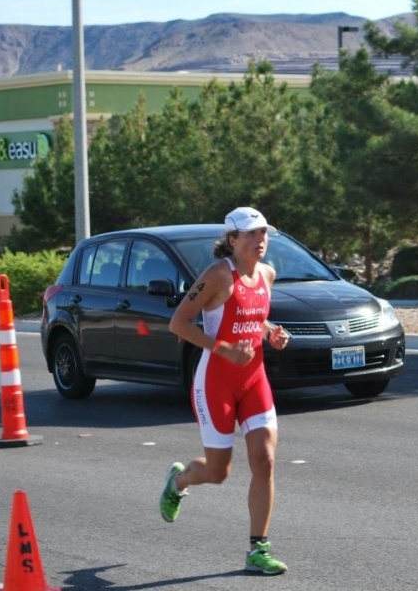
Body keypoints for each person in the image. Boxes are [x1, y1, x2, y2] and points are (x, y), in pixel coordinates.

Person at [159, 207, 291, 575]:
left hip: (254, 379)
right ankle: (178, 481)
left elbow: (254, 313)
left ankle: (257, 549)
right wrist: (223, 348)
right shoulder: (217, 275)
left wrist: (270, 332)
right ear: (232, 240)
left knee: (265, 461)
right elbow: (178, 323)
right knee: (218, 472)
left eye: (263, 233)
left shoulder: (267, 273)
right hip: (216, 379)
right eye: (250, 234)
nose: (260, 240)